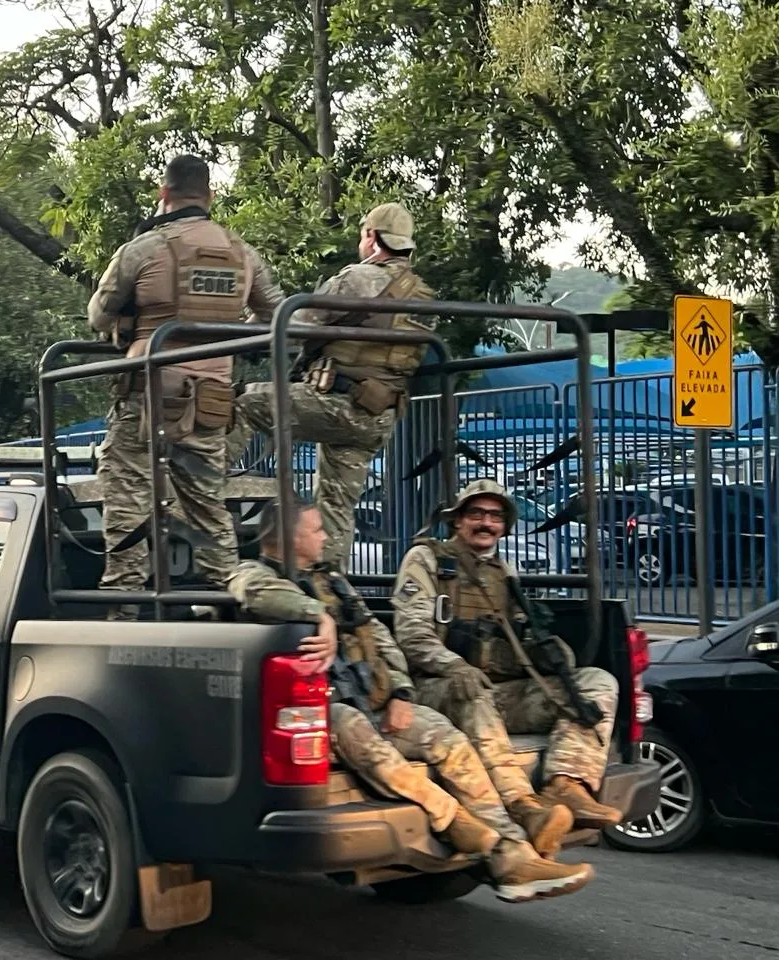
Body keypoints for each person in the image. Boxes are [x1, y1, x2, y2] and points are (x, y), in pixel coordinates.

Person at [229, 498, 594, 902]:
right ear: (288, 536)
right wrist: (319, 615)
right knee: (352, 726)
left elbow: (379, 636)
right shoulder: (254, 574)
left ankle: (514, 855)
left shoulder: (332, 579)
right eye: (317, 529)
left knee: (447, 739)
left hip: (375, 697)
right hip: (321, 711)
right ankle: (460, 824)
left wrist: (402, 691)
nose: (325, 537)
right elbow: (254, 592)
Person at [87, 154, 285, 617]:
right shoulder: (242, 253)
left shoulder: (142, 249)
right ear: (210, 197)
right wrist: (229, 335)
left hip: (148, 401)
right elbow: (275, 316)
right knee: (210, 512)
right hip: (212, 402)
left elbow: (98, 314)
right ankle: (234, 606)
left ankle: (125, 614)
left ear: (164, 194)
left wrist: (134, 323)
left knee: (128, 503)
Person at [392, 479, 625, 846]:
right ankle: (524, 807)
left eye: (495, 516)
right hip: (435, 689)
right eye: (476, 514)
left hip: (501, 691)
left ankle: (566, 784)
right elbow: (412, 634)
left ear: (505, 525)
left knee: (596, 681)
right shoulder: (428, 560)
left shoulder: (505, 572)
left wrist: (546, 652)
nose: (486, 523)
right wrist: (453, 665)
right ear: (458, 520)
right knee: (472, 689)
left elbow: (519, 634)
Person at [224, 202, 435, 572]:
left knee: (245, 401)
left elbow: (295, 324)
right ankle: (332, 591)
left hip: (338, 404)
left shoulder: (358, 278)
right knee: (335, 508)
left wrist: (247, 328)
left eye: (363, 233)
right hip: (378, 417)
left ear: (372, 238)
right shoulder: (424, 297)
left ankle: (206, 483)